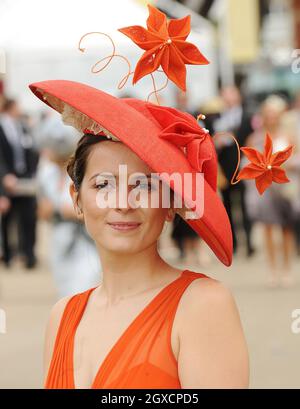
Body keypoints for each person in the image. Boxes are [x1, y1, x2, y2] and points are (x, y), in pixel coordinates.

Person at [29, 5, 251, 389]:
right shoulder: (61, 316)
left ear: (170, 205)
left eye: (144, 185)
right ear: (76, 200)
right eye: (102, 185)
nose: (123, 201)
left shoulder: (201, 306)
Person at [36, 114, 102, 297]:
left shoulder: (82, 172)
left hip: (85, 241)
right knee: (65, 291)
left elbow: (91, 209)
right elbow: (43, 211)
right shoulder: (46, 175)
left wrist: (67, 211)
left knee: (84, 286)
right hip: (59, 239)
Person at [243, 95, 296, 287]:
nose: (271, 117)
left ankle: (286, 268)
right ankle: (272, 269)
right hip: (265, 189)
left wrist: (284, 165)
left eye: (274, 114)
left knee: (287, 228)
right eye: (268, 114)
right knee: (267, 228)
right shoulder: (255, 138)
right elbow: (247, 162)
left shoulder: (287, 136)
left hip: (285, 187)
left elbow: (296, 158)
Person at [213, 86, 254, 256]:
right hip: (224, 169)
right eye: (225, 95)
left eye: (231, 94)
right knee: (228, 206)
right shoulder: (216, 118)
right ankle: (233, 243)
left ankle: (249, 243)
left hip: (243, 166)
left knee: (246, 206)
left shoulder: (248, 116)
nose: (229, 98)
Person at [0, 98, 39, 268]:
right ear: (10, 108)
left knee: (29, 217)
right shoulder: (1, 127)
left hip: (25, 179)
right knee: (7, 219)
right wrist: (5, 175)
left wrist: (32, 173)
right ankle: (8, 256)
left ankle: (29, 255)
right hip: (6, 179)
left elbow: (31, 150)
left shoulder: (22, 126)